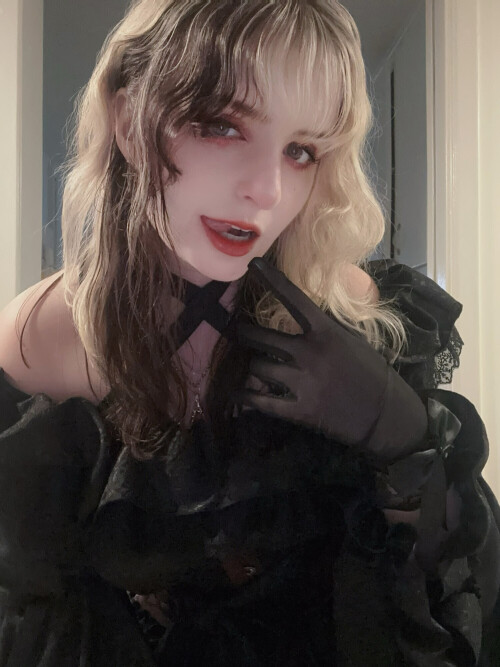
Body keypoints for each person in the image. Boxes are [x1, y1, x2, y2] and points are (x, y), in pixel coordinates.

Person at [0, 0, 498, 664]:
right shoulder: (37, 340)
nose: (266, 189)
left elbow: (452, 587)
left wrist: (400, 433)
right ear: (127, 120)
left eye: (301, 150)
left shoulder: (354, 307)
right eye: (221, 125)